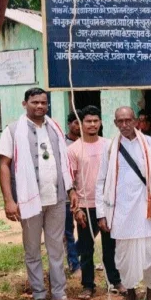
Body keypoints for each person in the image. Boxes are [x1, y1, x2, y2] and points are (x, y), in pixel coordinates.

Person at [0, 88, 81, 300]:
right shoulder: (13, 130)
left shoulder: (55, 128)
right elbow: (4, 165)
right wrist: (8, 200)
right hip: (28, 201)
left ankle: (59, 294)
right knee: (32, 250)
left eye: (43, 102)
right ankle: (38, 295)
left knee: (56, 249)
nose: (40, 106)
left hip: (56, 199)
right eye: (35, 102)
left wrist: (71, 190)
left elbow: (63, 162)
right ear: (25, 104)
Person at [96, 107, 151, 300]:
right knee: (123, 257)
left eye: (128, 120)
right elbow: (101, 181)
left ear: (136, 121)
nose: (124, 125)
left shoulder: (149, 143)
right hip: (121, 212)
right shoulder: (110, 147)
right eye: (120, 121)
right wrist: (101, 213)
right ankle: (131, 294)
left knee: (148, 255)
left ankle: (150, 294)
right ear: (115, 123)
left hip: (145, 209)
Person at [68, 105, 125, 299]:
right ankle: (88, 285)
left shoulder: (110, 145)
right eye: (88, 121)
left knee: (111, 247)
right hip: (85, 206)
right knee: (86, 248)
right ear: (81, 124)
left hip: (108, 205)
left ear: (100, 123)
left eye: (95, 121)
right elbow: (70, 182)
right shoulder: (74, 149)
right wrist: (76, 209)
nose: (92, 125)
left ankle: (115, 281)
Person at [64, 111, 81, 274]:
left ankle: (74, 254)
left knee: (89, 229)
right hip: (66, 195)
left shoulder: (86, 143)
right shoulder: (62, 143)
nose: (79, 126)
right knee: (68, 230)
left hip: (84, 195)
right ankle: (74, 265)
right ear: (69, 124)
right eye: (76, 122)